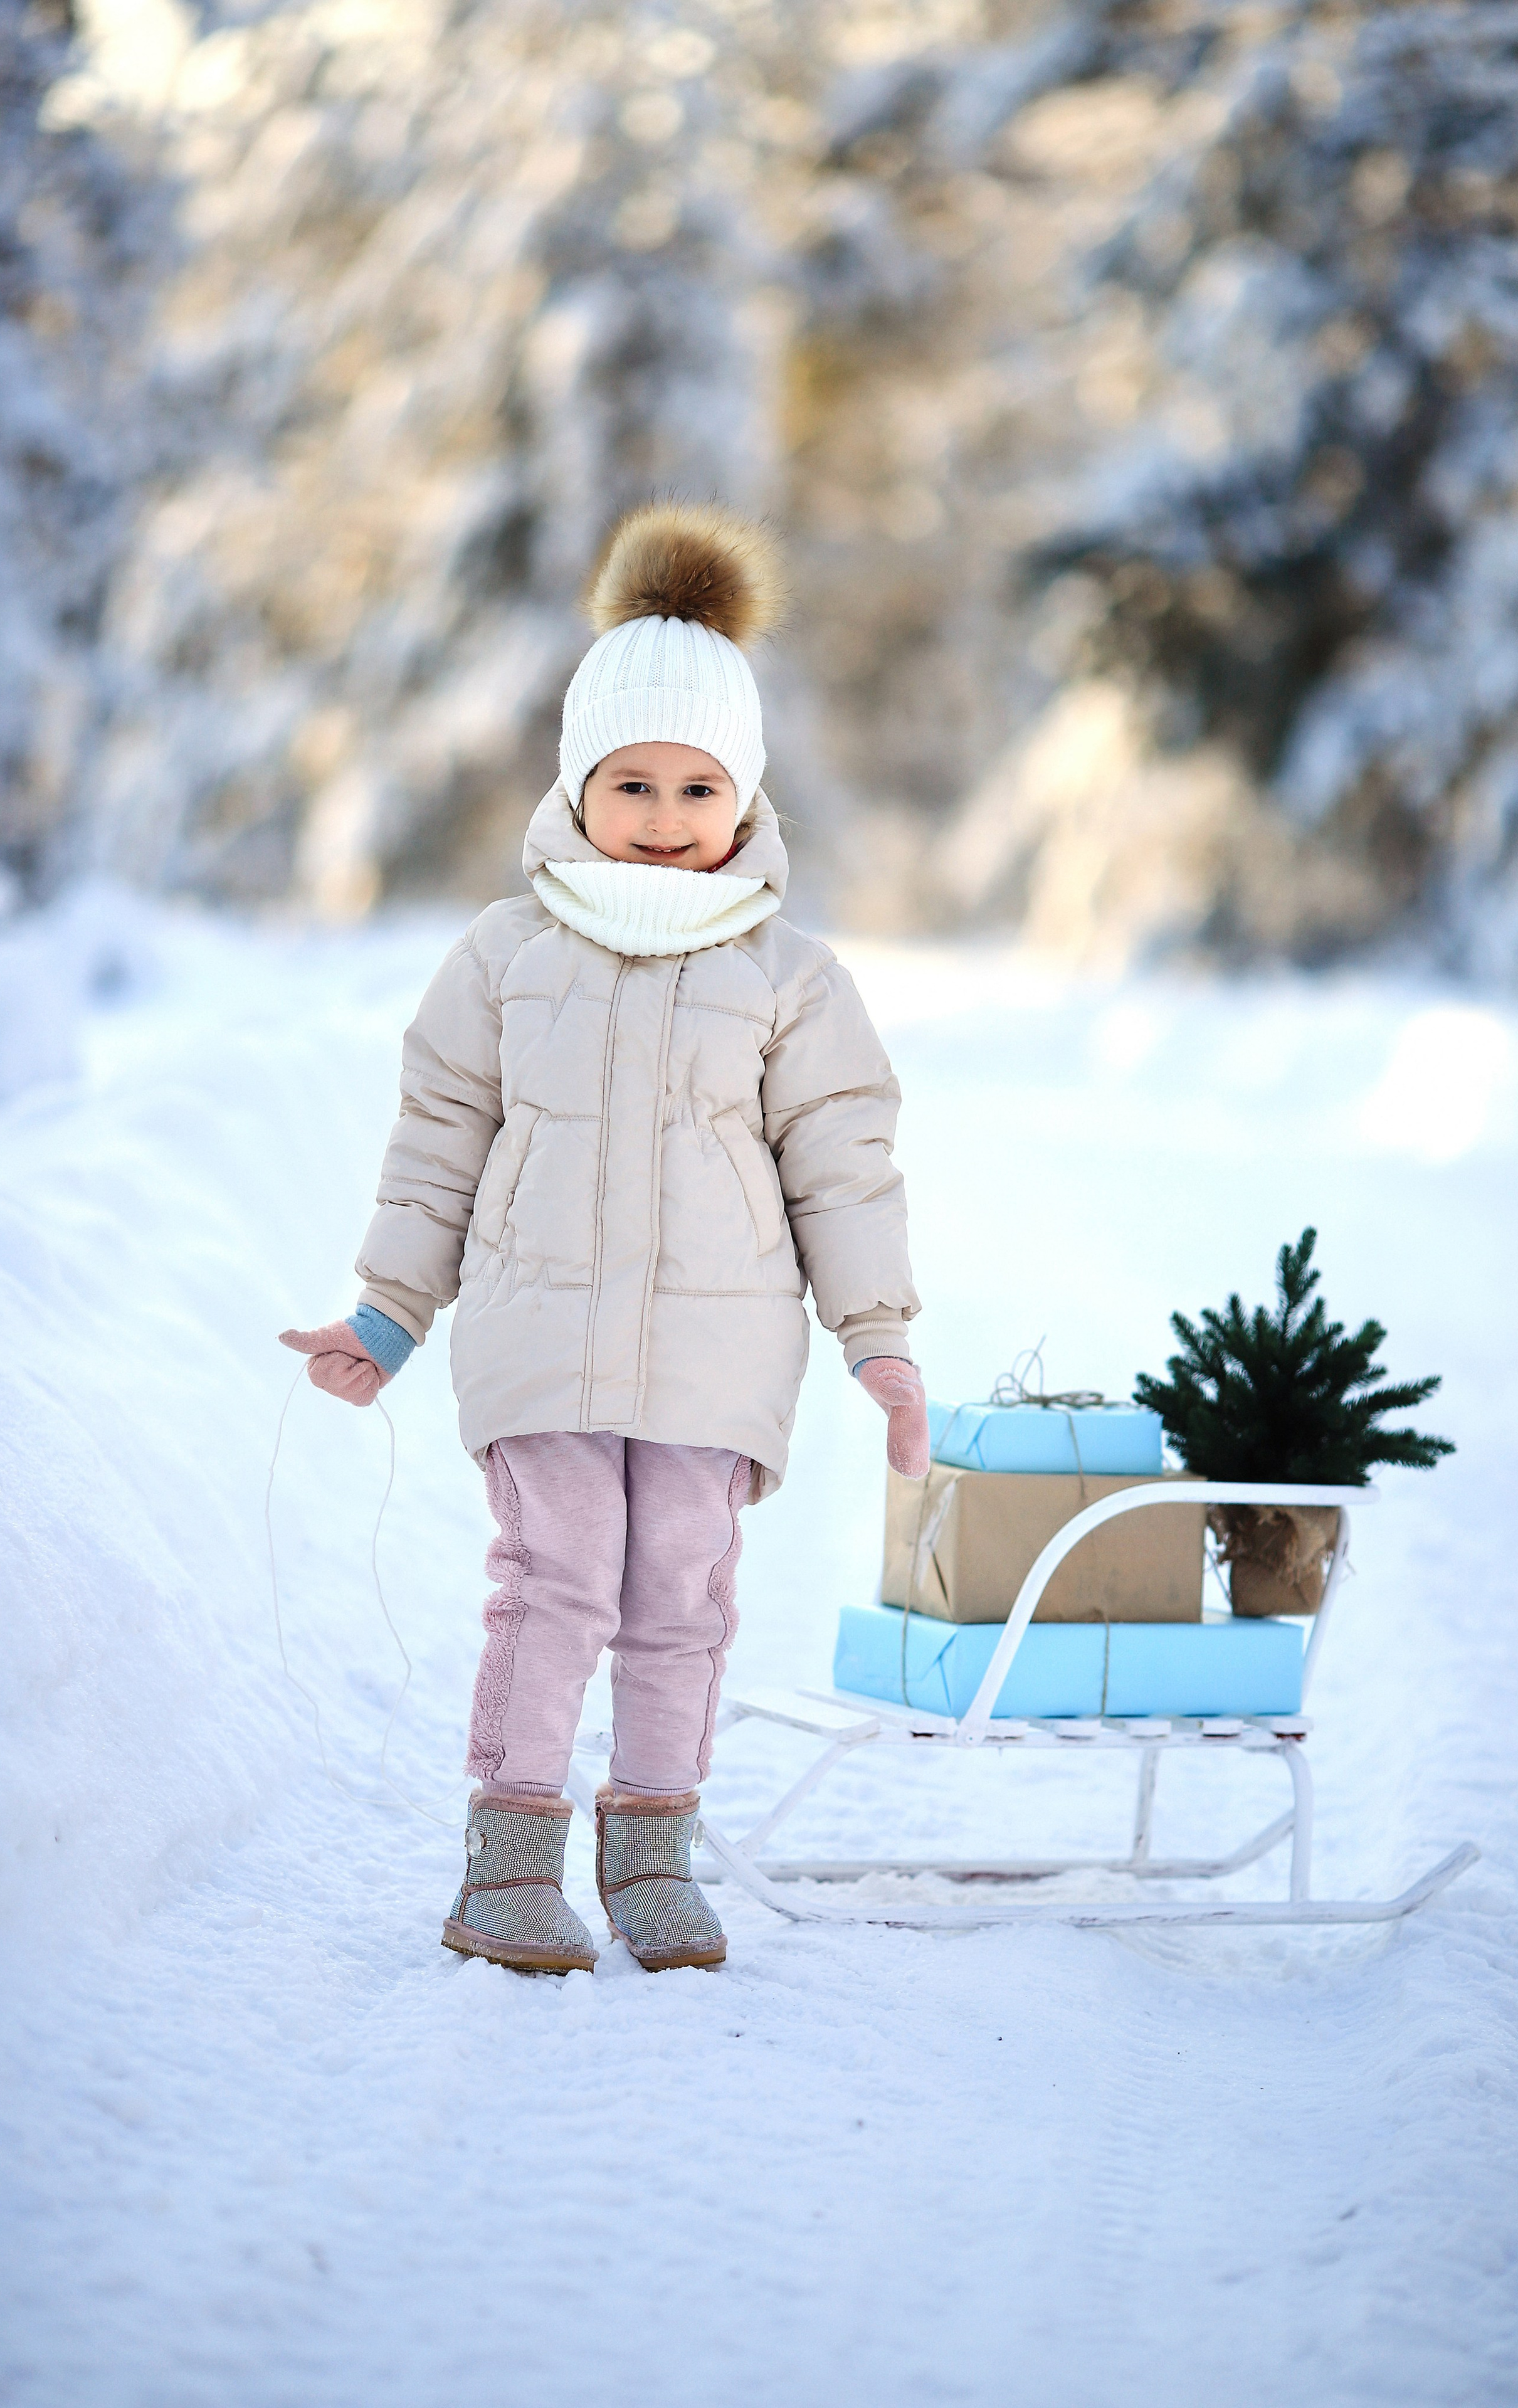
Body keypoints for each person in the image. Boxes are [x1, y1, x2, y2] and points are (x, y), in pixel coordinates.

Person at [280, 500, 928, 1976]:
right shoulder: (505, 956)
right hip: (539, 1334)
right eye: (626, 782)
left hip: (715, 1348)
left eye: (695, 786)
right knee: (558, 1574)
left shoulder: (789, 977)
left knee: (679, 1594)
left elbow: (843, 1166)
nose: (658, 815)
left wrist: (877, 1343)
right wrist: (385, 1315)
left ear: (744, 798)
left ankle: (649, 1855)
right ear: (575, 788)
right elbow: (440, 1139)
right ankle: (506, 1864)